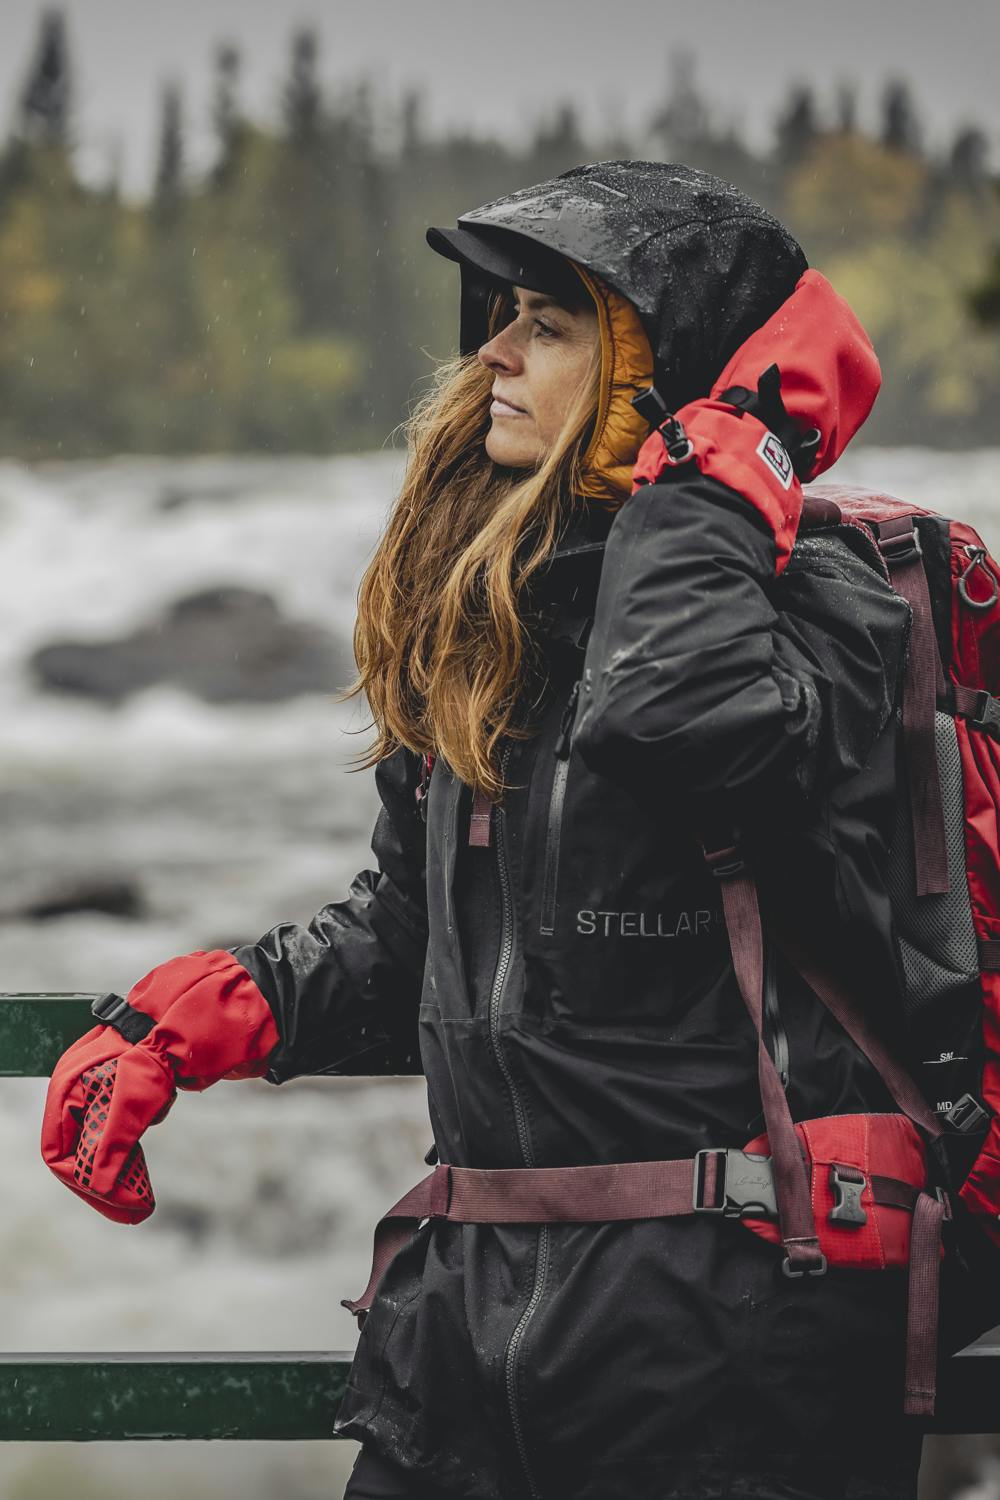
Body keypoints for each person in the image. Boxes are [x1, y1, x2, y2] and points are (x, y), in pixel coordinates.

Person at [41, 161, 929, 1500]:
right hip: (466, 1330)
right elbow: (423, 935)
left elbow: (674, 712)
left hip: (728, 1349)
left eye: (551, 326)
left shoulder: (813, 611)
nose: (495, 354)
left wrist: (730, 445)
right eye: (503, 314)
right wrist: (225, 1007)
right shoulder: (495, 617)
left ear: (666, 377)